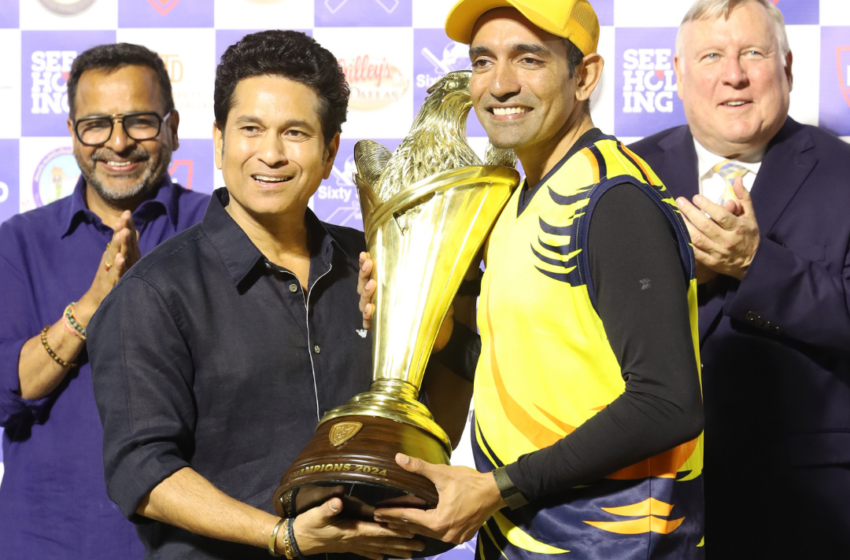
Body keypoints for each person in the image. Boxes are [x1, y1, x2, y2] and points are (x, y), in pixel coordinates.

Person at [359, 1, 706, 558]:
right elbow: (520, 366)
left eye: (528, 60)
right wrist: (421, 322)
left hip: (610, 541)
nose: (499, 84)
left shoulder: (614, 199)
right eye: (482, 61)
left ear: (584, 76)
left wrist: (496, 488)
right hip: (520, 533)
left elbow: (668, 402)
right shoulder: (514, 198)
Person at [87, 31, 428, 560]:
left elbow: (431, 410)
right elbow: (143, 471)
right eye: (251, 129)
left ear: (330, 149)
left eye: (295, 132)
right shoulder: (154, 293)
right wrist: (282, 537)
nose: (270, 153)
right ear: (220, 140)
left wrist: (434, 326)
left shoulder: (376, 265)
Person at [628, 0, 850, 557]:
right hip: (643, 504)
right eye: (711, 56)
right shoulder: (624, 176)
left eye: (753, 52)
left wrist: (758, 265)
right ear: (678, 75)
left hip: (804, 510)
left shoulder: (844, 174)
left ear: (788, 69)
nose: (735, 73)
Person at [0, 43, 208, 559]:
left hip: (194, 542)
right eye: (96, 124)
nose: (118, 143)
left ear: (172, 126)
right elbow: (6, 391)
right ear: (72, 133)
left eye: (139, 121)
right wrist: (91, 308)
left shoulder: (220, 229)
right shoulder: (18, 243)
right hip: (46, 539)